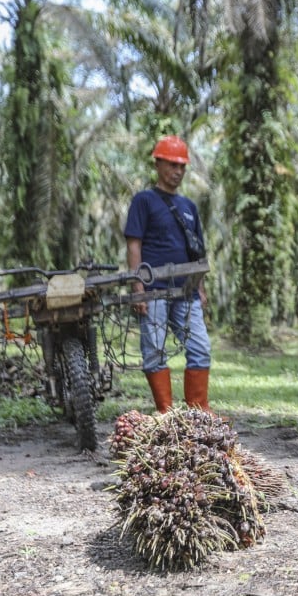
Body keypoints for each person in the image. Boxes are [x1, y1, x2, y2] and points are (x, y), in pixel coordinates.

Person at [124, 135, 213, 414]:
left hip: (186, 291)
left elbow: (197, 250)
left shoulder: (189, 207)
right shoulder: (144, 201)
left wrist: (199, 287)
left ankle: (198, 410)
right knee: (154, 350)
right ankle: (166, 412)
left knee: (200, 347)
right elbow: (134, 245)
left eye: (182, 166)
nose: (177, 172)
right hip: (154, 291)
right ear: (158, 164)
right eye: (172, 165)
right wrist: (138, 287)